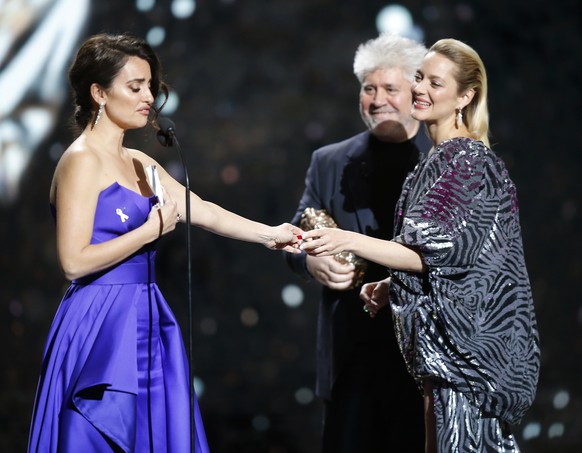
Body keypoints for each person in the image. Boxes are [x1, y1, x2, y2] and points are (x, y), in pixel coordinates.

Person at [27, 33, 302, 453]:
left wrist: (271, 235)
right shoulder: (80, 161)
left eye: (150, 86)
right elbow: (73, 262)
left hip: (146, 313)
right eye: (134, 87)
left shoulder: (138, 162)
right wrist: (149, 230)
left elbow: (203, 210)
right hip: (100, 319)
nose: (148, 97)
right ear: (99, 93)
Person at [299, 38, 540, 452]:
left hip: (463, 362)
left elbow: (432, 254)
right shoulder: (437, 162)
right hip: (430, 360)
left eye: (435, 82)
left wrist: (345, 238)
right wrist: (393, 286)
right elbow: (461, 260)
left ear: (466, 96)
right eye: (419, 78)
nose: (419, 90)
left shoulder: (465, 162)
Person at [285, 33, 429, 452]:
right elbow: (298, 232)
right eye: (369, 88)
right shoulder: (328, 161)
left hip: (425, 356)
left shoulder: (446, 159)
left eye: (390, 88)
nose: (378, 98)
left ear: (416, 92)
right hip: (351, 356)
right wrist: (309, 262)